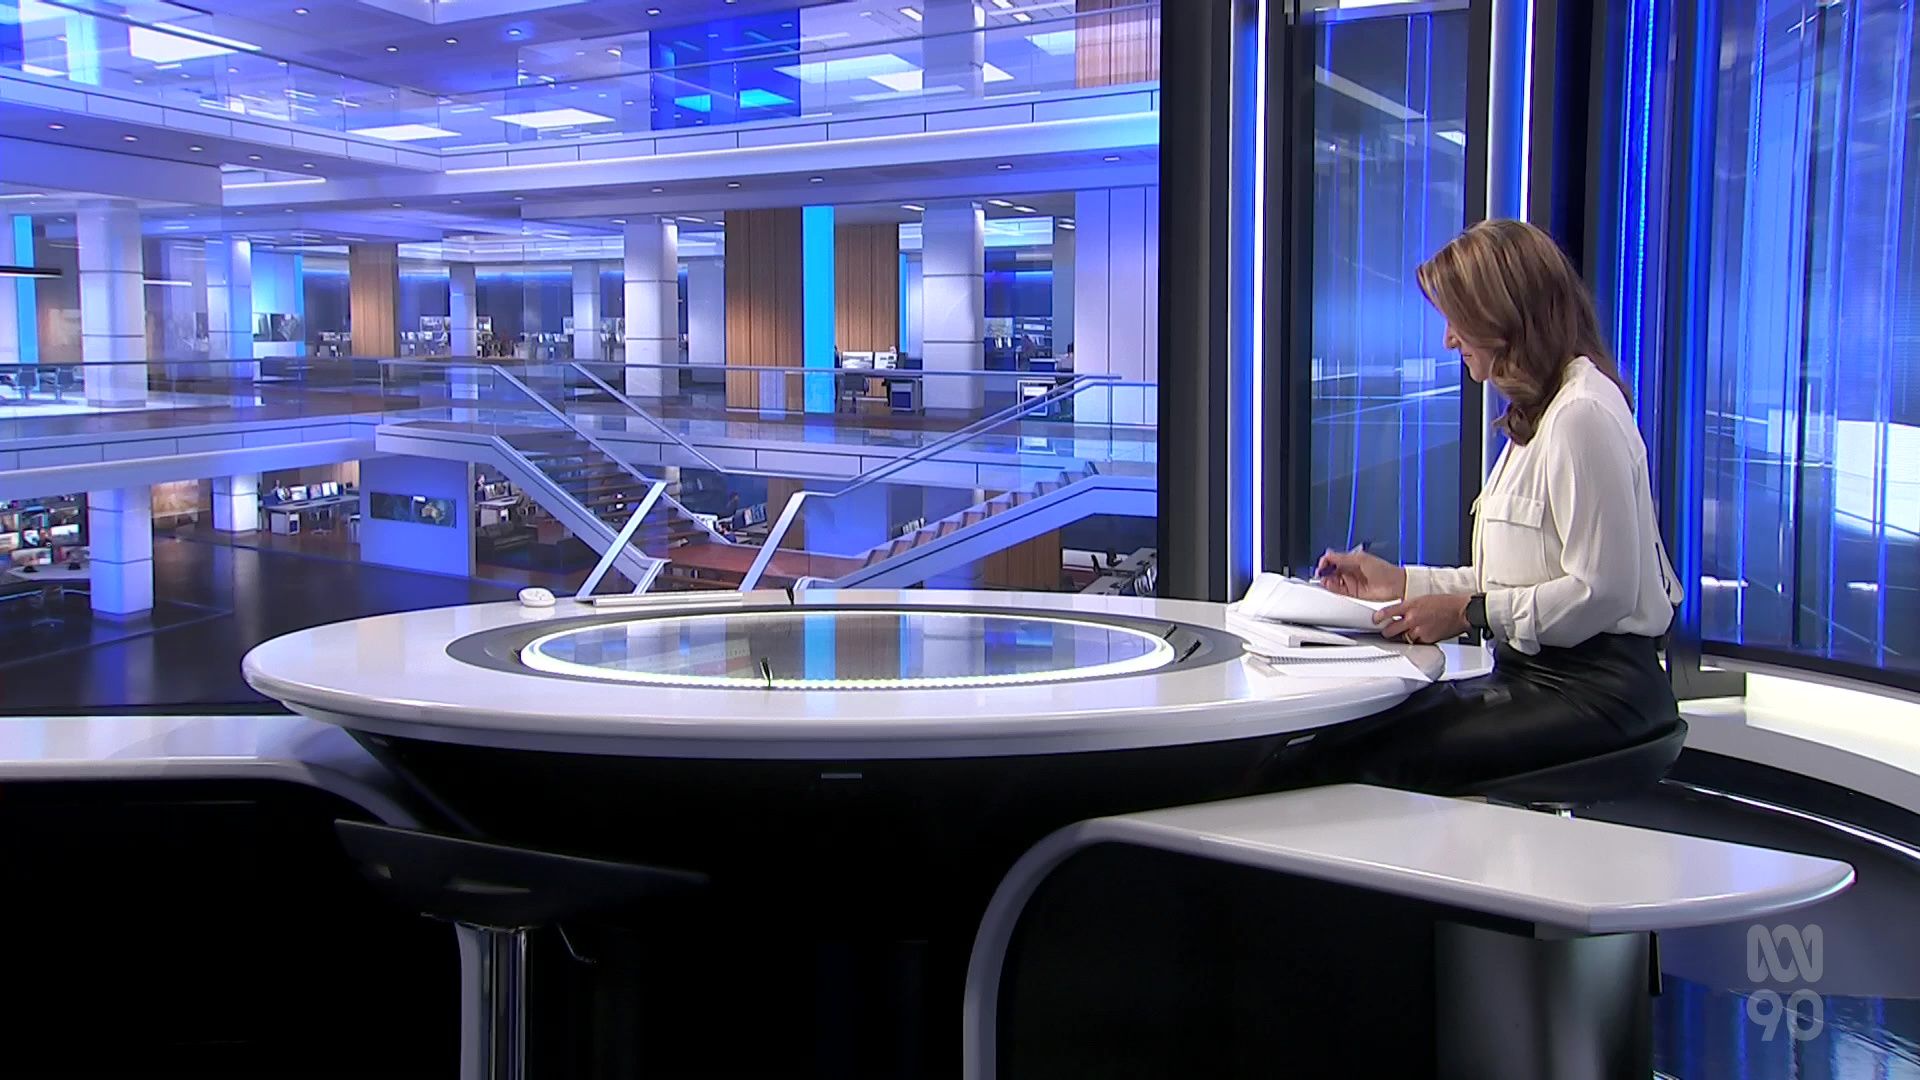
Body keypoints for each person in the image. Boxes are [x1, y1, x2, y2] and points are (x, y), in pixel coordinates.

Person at [1284, 219, 1683, 794]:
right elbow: (1518, 580)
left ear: (1504, 315)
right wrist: (1402, 582)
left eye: (1458, 319)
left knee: (1355, 760)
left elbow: (1601, 593)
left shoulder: (1582, 415)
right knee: (1340, 738)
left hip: (1595, 694)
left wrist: (1469, 614)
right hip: (1538, 678)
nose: (1449, 339)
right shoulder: (1540, 415)